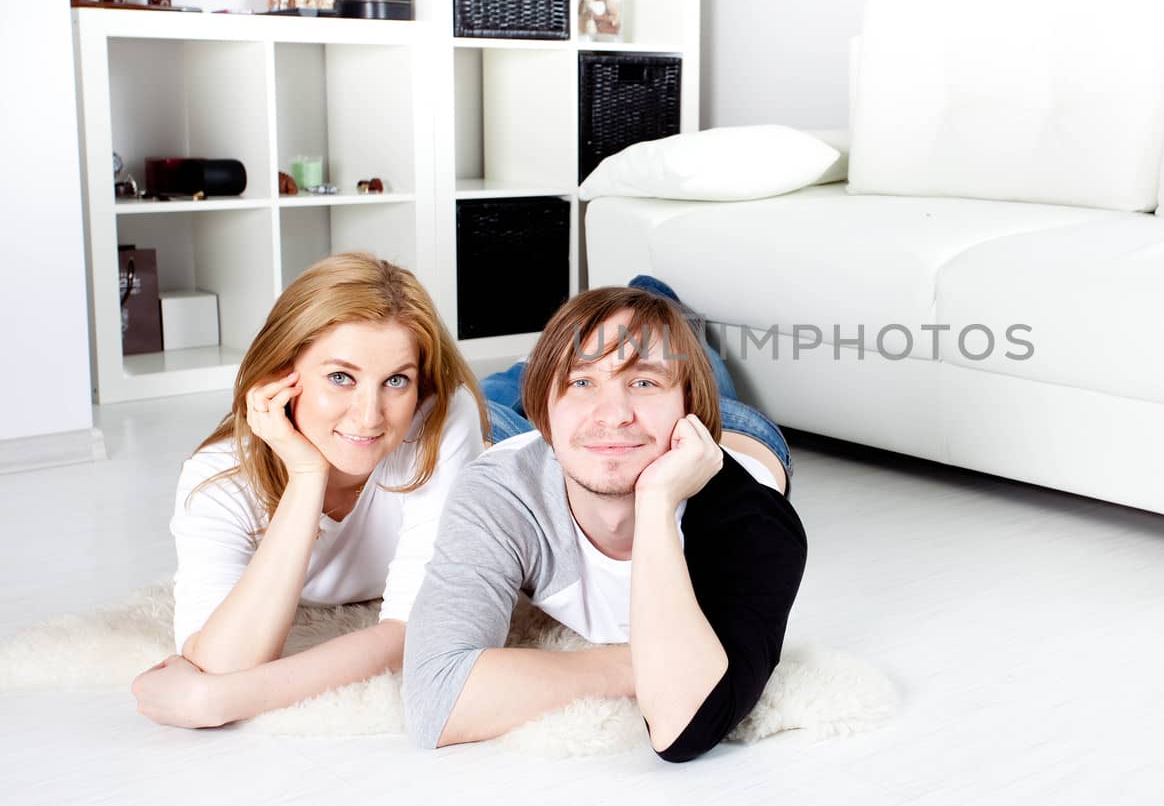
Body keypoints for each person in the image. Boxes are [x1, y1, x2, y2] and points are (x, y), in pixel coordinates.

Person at [402, 280, 806, 761]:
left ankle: (653, 297)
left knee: (686, 346)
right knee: (491, 406)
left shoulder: (757, 524)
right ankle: (579, 355)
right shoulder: (501, 490)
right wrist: (639, 666)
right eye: (580, 382)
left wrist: (655, 503)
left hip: (737, 432)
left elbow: (683, 728)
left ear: (687, 410)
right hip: (553, 445)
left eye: (643, 382)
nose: (613, 414)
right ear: (545, 417)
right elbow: (434, 700)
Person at [131, 253, 489, 729]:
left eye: (396, 380)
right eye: (341, 377)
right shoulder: (218, 479)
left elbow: (415, 631)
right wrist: (306, 475)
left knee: (548, 381)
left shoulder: (441, 418)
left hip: (498, 436)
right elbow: (219, 660)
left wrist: (215, 701)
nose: (368, 415)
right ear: (282, 372)